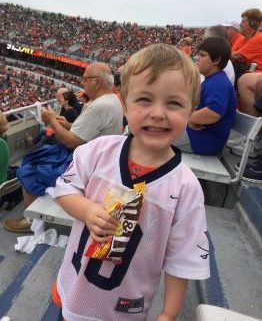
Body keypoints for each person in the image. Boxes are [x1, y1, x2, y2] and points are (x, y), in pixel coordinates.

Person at [52, 43, 210, 321]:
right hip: (75, 287)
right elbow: (65, 190)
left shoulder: (185, 188)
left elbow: (182, 260)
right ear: (125, 104)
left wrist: (168, 314)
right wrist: (87, 210)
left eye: (173, 103)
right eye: (145, 100)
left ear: (190, 110)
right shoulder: (98, 151)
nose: (158, 113)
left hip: (125, 308)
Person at [4, 62, 123, 233]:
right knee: (37, 156)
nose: (83, 83)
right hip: (95, 157)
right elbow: (85, 132)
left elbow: (71, 141)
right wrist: (67, 124)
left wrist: (51, 121)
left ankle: (30, 221)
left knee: (29, 167)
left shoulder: (99, 106)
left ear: (97, 82)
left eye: (85, 79)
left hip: (84, 162)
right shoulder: (110, 100)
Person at [174, 36, 237, 155]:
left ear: (216, 60)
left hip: (203, 141)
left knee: (148, 135)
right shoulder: (212, 79)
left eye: (202, 55)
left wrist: (186, 119)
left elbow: (214, 113)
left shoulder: (219, 82)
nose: (197, 58)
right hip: (198, 137)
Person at [231, 8, 262, 80]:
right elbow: (231, 56)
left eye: (243, 21)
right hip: (247, 73)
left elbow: (235, 55)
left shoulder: (258, 38)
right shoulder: (242, 40)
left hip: (257, 75)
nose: (240, 24)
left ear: (252, 24)